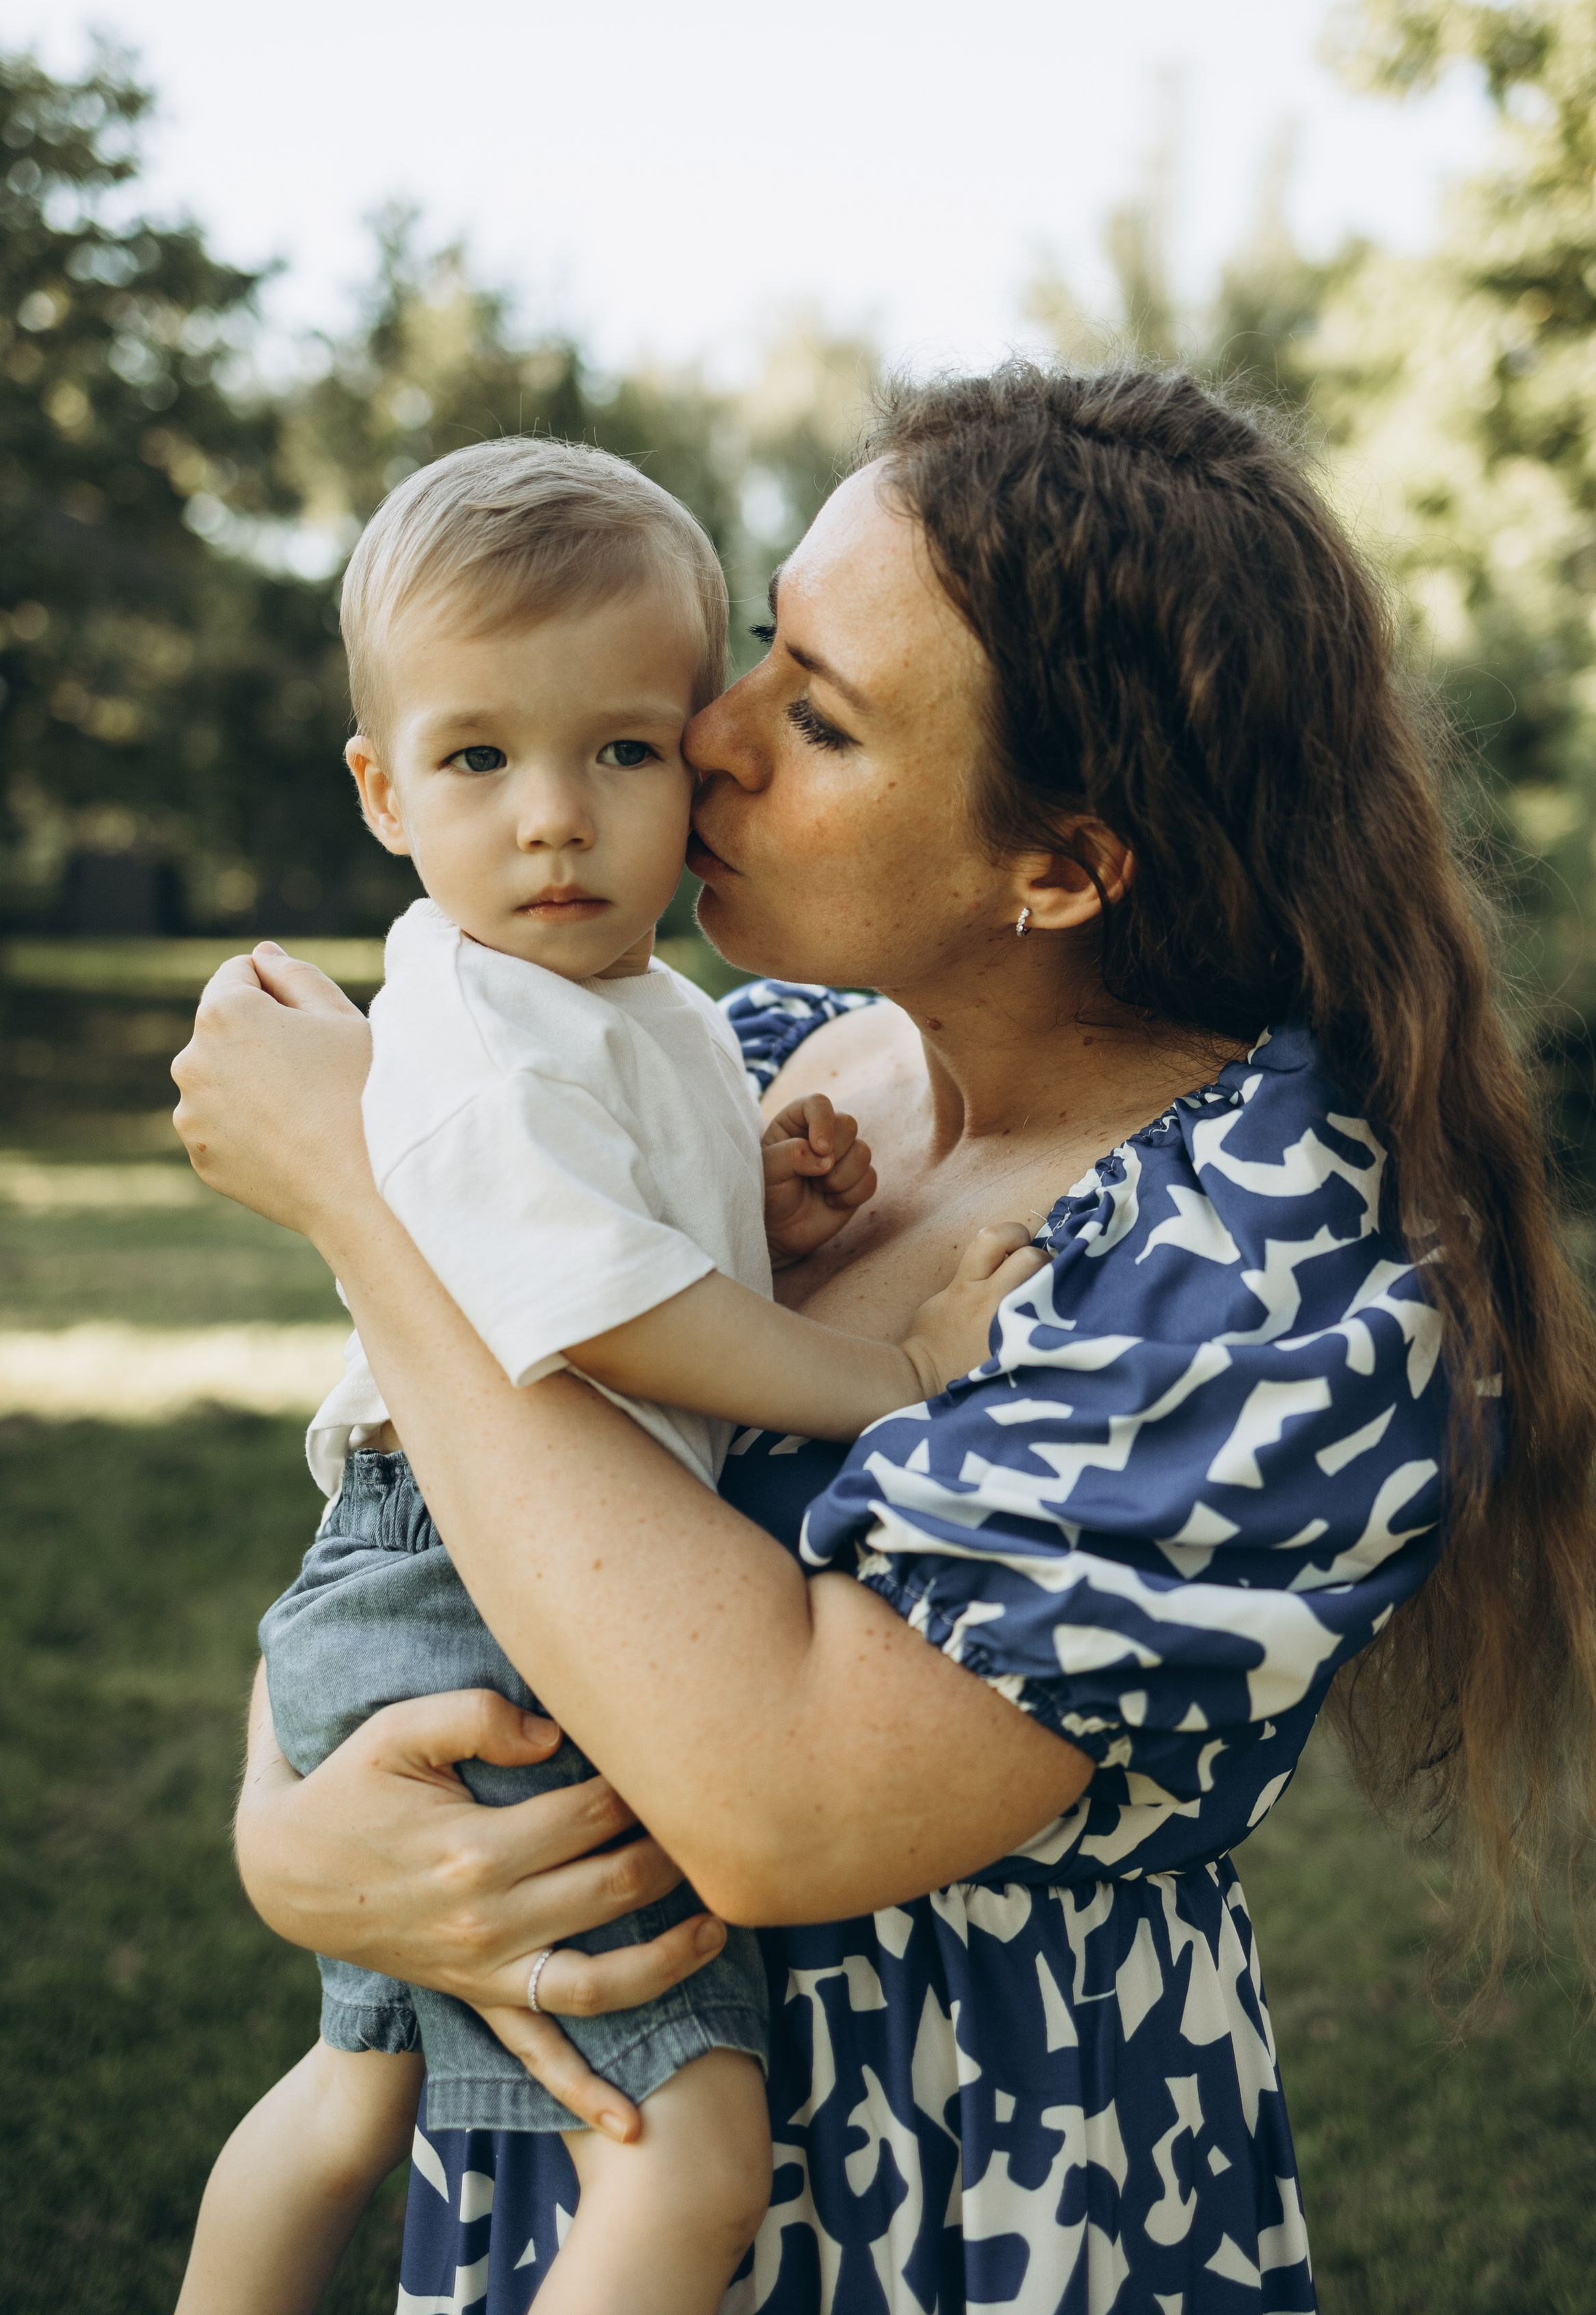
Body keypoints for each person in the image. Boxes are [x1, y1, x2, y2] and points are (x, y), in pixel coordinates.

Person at [171, 367, 1596, 2314]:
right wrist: (301, 1848)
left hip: (958, 2194)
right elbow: (430, 1523)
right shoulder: (772, 1074)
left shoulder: (1271, 1268)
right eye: (766, 647)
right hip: (589, 2122)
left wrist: (360, 1201)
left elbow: (780, 1806)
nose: (714, 735)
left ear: (1064, 866)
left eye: (823, 714)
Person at [175, 439, 1037, 2315]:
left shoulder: (643, 1009)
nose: (555, 820)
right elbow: (605, 1318)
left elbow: (634, 1234)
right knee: (688, 2155)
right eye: (481, 760)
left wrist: (762, 1195)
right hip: (458, 1587)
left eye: (621, 752)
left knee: (355, 2086)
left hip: (466, 1555)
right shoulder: (474, 1025)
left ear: (692, 757)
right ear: (383, 790)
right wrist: (882, 1369)